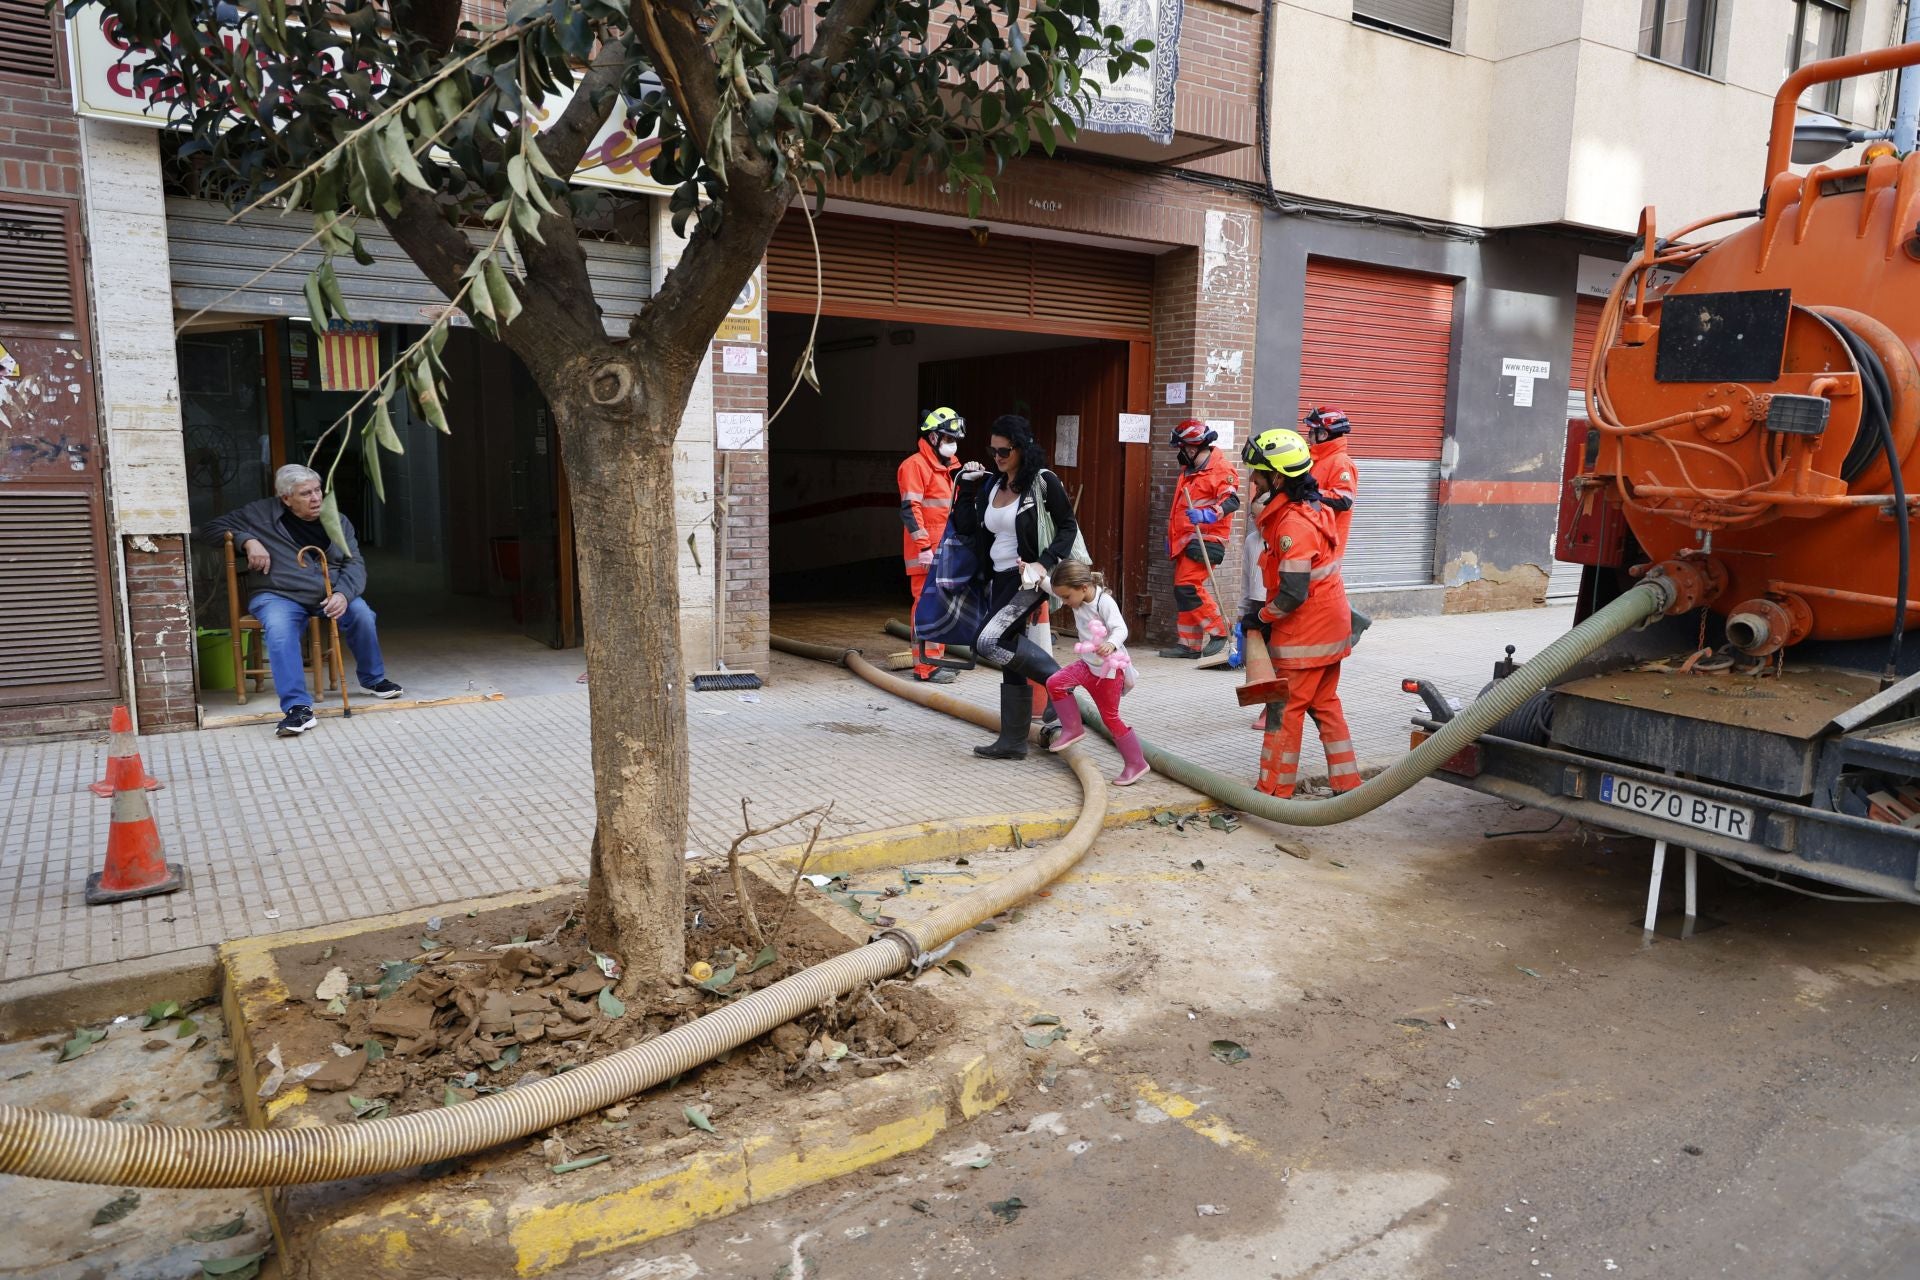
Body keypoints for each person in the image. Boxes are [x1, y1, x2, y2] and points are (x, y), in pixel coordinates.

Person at [195, 463, 402, 737]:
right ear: (286, 499)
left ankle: (372, 679)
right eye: (306, 493)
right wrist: (247, 540)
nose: (316, 498)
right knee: (280, 632)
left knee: (362, 613)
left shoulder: (336, 520)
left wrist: (342, 593)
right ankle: (297, 708)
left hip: (331, 592)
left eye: (318, 490)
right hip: (279, 595)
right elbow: (210, 528)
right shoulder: (259, 513)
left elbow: (355, 564)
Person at [950, 415, 1079, 760]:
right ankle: (1012, 742)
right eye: (992, 450)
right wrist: (967, 487)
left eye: (1004, 450)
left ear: (1022, 447)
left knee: (988, 640)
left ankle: (1060, 683)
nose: (997, 457)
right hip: (998, 577)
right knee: (1008, 655)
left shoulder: (1042, 482)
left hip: (1028, 578)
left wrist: (1044, 562)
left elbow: (1068, 527)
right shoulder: (992, 483)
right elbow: (966, 526)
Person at [1240, 428, 1360, 799]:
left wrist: (1261, 618)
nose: (1251, 482)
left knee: (1283, 712)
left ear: (1277, 478)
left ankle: (1274, 791)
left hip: (1306, 636)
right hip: (1330, 628)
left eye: (1256, 474)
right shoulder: (1309, 508)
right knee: (1325, 705)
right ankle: (1348, 785)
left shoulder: (1292, 524)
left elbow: (1292, 592)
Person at [1043, 560, 1150, 786]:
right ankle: (1072, 728)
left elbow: (1121, 628)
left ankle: (1136, 763)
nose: (1064, 603)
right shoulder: (1078, 598)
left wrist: (1111, 644)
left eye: (1066, 597)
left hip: (1108, 671)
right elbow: (1053, 589)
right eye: (1061, 597)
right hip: (1087, 665)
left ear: (1083, 587)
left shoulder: (1104, 602)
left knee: (1110, 718)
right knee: (1055, 682)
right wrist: (1033, 575)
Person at [1159, 419, 1239, 665]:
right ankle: (1189, 644)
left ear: (1191, 448)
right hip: (1185, 540)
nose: (1180, 454)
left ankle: (1220, 629)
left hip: (1207, 539)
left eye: (1181, 448)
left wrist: (1208, 514)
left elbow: (1231, 501)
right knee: (1183, 592)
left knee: (1188, 587)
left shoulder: (1221, 469)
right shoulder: (1190, 471)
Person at [898, 406, 967, 683]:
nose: (952, 445)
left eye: (955, 440)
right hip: (926, 553)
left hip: (946, 550)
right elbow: (909, 510)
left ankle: (934, 661)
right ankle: (924, 667)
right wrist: (924, 548)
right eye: (948, 438)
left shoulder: (951, 468)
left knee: (941, 608)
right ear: (934, 438)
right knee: (926, 608)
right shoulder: (915, 465)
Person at [1303, 406, 1370, 648]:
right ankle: (1347, 622)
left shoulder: (1340, 462)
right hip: (1314, 531)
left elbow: (1344, 499)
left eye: (1313, 431)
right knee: (1318, 586)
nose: (1309, 436)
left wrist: (1313, 493)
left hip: (1330, 535)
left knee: (1322, 588)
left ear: (1326, 433)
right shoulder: (1315, 459)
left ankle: (1349, 623)